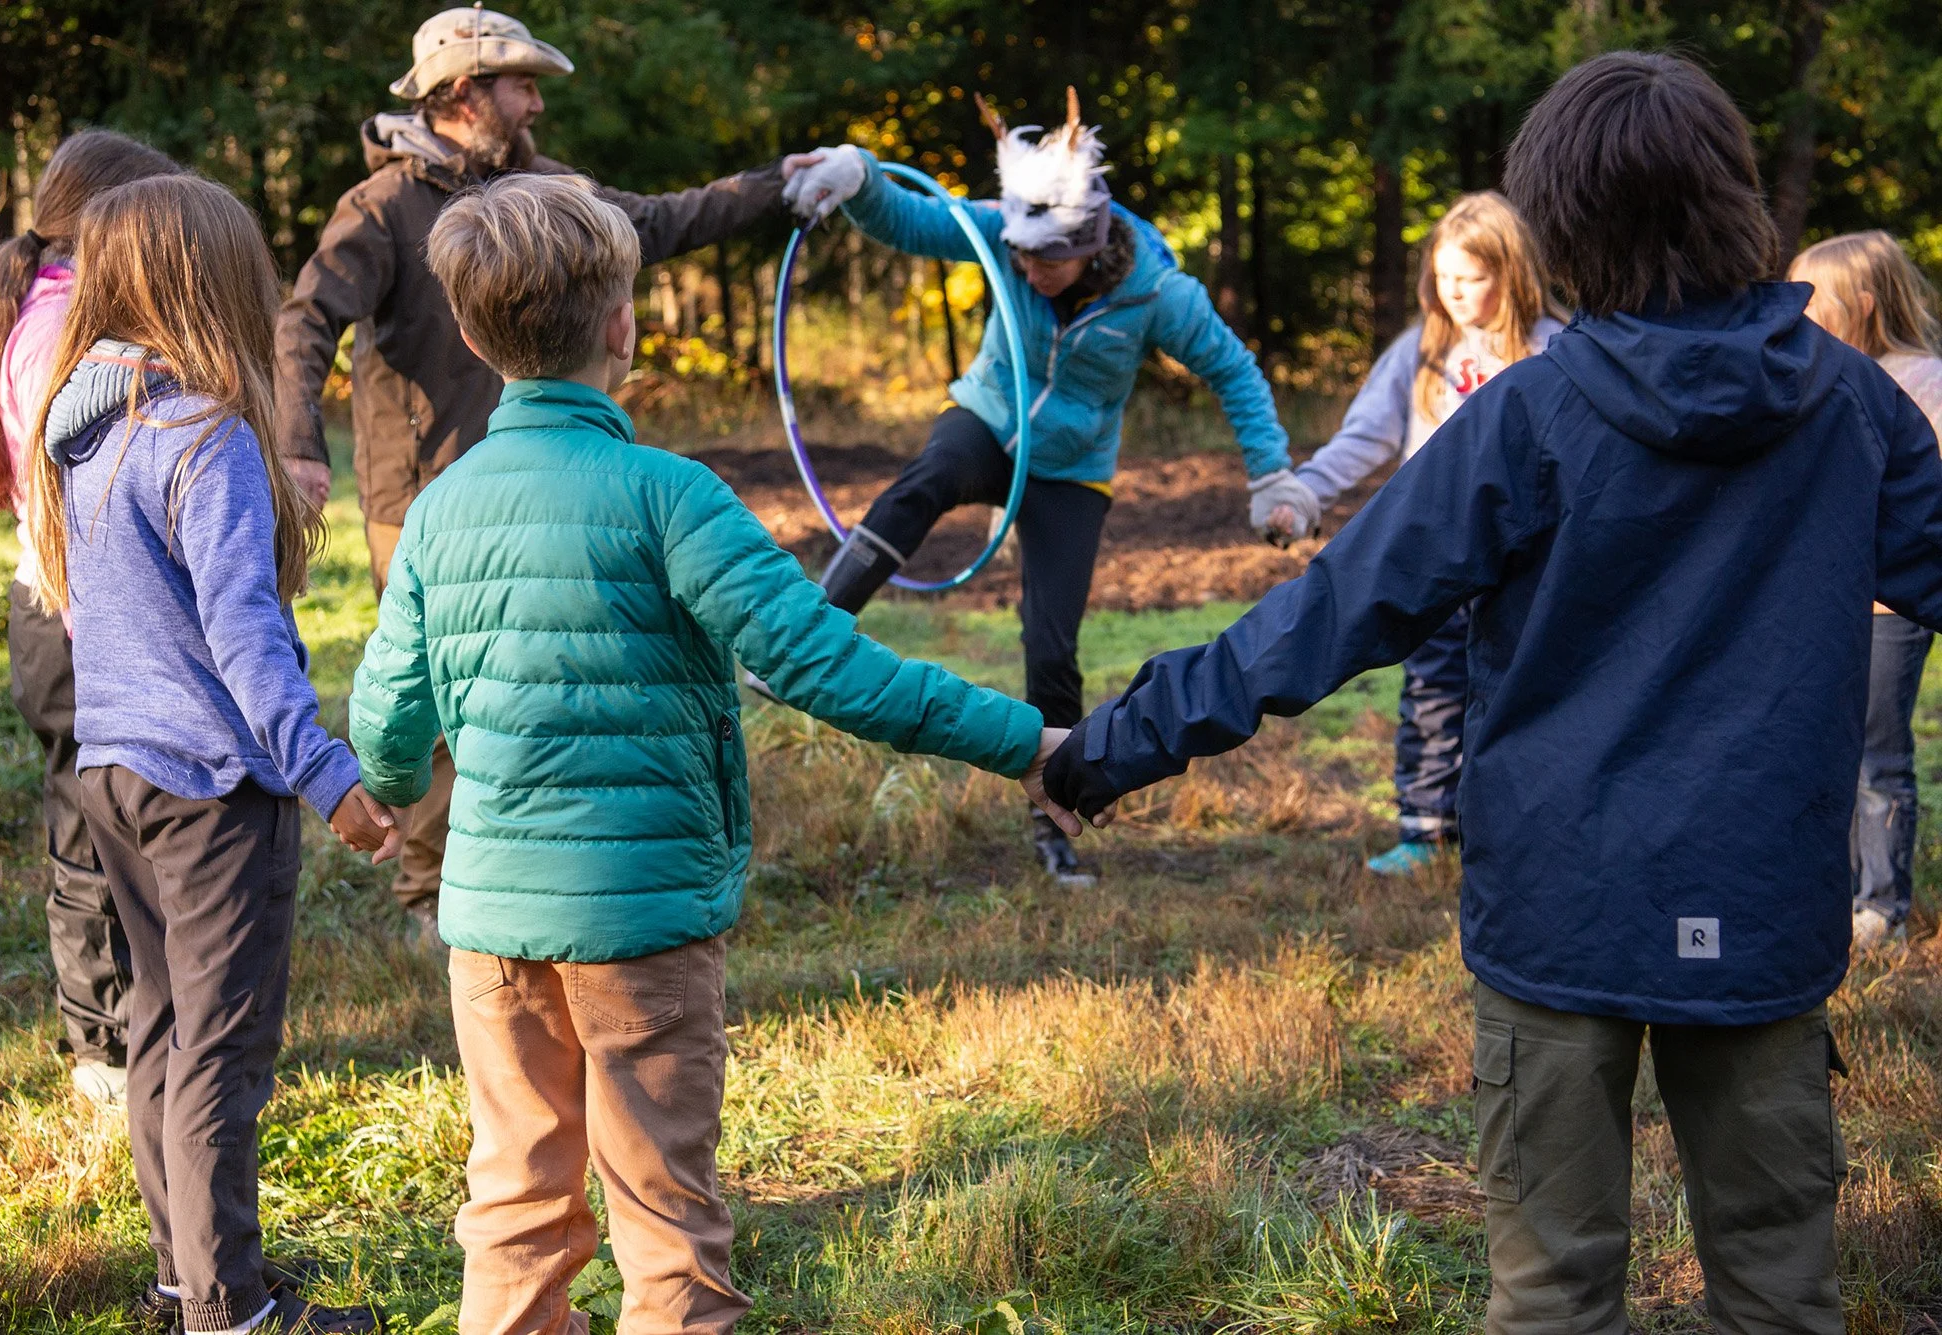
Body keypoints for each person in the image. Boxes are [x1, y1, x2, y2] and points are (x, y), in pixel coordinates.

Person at [1038, 51, 1942, 1333]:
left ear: (1560, 226)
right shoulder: (1849, 402)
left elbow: (1323, 617)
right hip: (1749, 907)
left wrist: (1102, 746)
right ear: (1735, 196)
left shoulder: (1533, 414)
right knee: (1777, 1297)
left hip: (1564, 912)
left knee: (1550, 1298)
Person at [346, 172, 1060, 1335]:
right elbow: (826, 665)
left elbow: (387, 713)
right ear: (623, 324)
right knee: (665, 1222)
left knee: (514, 1206)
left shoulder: (438, 508)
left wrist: (377, 796)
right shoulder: (669, 496)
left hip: (487, 926)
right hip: (643, 926)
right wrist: (1023, 741)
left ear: (471, 336)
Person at [273, 5, 830, 944]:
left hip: (561, 477)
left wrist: (787, 186)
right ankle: (429, 899)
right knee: (444, 699)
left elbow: (659, 222)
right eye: (519, 83)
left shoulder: (549, 189)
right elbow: (304, 322)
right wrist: (296, 442)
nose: (535, 101)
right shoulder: (381, 210)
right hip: (423, 494)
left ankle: (545, 881)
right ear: (460, 96)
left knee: (551, 687)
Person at [27, 174, 396, 1335]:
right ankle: (231, 1311)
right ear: (214, 282)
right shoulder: (204, 434)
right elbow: (247, 639)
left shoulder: (84, 424)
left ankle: (186, 1282)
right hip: (211, 788)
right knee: (220, 1059)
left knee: (162, 1035)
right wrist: (329, 775)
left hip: (115, 772)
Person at [773, 89, 1301, 884]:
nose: (1027, 269)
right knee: (931, 474)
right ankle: (809, 632)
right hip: (990, 416)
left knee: (1050, 645)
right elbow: (915, 221)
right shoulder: (1009, 230)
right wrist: (860, 178)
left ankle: (1055, 819)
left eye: (1046, 259)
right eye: (1019, 256)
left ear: (1089, 244)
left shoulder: (1157, 294)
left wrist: (1270, 474)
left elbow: (1234, 370)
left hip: (1072, 468)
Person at [0, 129, 183, 1105]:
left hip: (87, 615)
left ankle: (137, 1029)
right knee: (90, 840)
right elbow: (76, 497)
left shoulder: (69, 311)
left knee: (107, 830)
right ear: (111, 221)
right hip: (76, 617)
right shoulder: (53, 328)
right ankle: (103, 1048)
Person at [1266, 192, 1565, 875]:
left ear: (1513, 273)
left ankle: (1515, 831)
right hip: (1435, 557)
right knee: (1432, 690)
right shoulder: (1421, 353)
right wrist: (1305, 491)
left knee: (1522, 692)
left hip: (1529, 564)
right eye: (1445, 278)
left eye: (1474, 279)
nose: (1456, 294)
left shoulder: (1553, 349)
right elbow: (1365, 436)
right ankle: (1426, 829)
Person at [1789, 231, 1942, 950]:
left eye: (1815, 304)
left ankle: (1884, 903)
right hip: (1831, 597)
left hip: (1892, 606)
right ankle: (1842, 885)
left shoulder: (1920, 380)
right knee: (1831, 744)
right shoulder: (1820, 377)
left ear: (1865, 305)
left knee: (1877, 751)